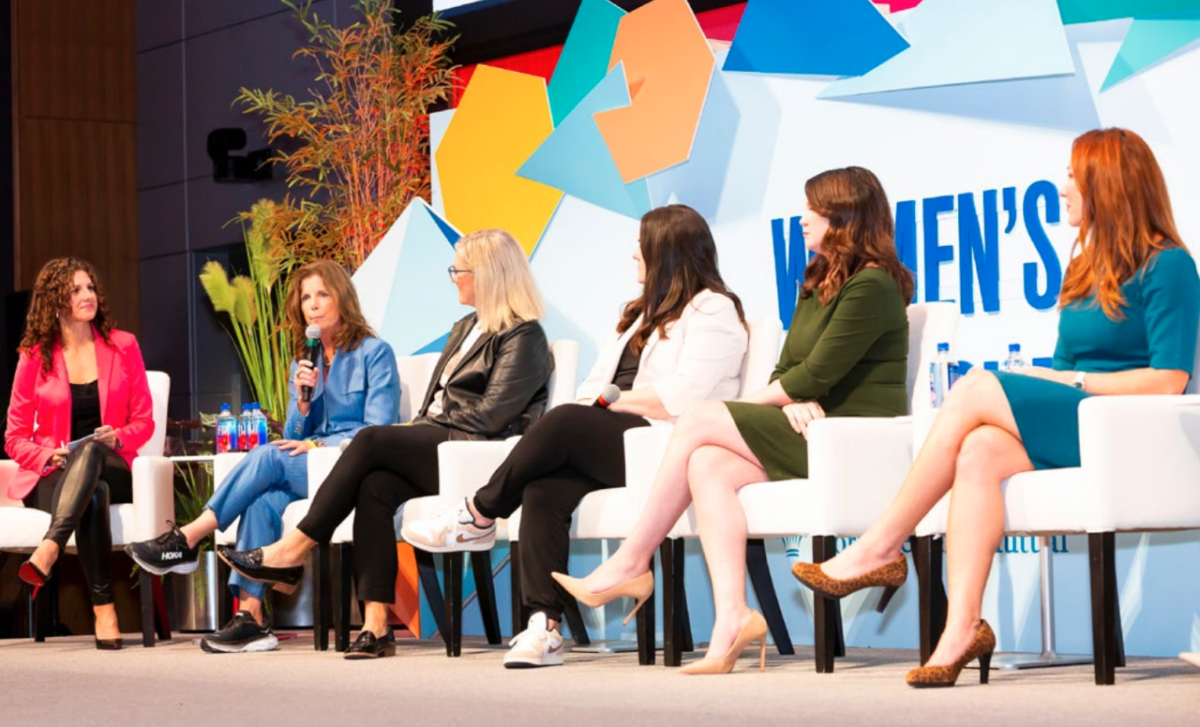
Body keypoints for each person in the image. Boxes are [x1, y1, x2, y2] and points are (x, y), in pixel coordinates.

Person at [792, 128, 1200, 687]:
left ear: (1109, 184)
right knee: (979, 450)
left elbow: (1170, 380)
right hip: (1077, 419)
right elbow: (1062, 362)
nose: (1063, 187)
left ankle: (881, 544)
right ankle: (962, 628)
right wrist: (1056, 377)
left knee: (981, 385)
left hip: (1128, 429)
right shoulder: (1084, 271)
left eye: (1073, 175)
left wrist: (1070, 379)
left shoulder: (1169, 265)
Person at [555, 167, 913, 674]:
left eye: (814, 209)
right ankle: (733, 619)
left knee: (700, 420)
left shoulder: (873, 286)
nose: (803, 218)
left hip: (849, 438)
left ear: (845, 217)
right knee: (706, 464)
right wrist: (788, 400)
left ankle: (633, 559)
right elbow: (788, 373)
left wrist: (790, 395)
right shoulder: (816, 283)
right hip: (806, 425)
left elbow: (814, 374)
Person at [403, 204, 749, 670]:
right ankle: (543, 626)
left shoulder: (715, 308)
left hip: (664, 447)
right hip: (615, 437)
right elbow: (591, 387)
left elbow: (684, 396)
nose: (634, 256)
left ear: (667, 252)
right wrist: (600, 404)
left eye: (642, 246)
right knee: (542, 489)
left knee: (565, 419)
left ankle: (478, 512)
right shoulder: (637, 315)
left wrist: (608, 404)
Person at [220, 228, 554, 659]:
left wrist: (420, 428)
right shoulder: (465, 328)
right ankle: (377, 626)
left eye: (460, 270)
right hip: (436, 443)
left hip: (471, 454)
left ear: (488, 275)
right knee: (373, 486)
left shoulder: (523, 337)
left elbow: (492, 417)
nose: (454, 277)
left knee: (373, 438)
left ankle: (294, 548)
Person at [127, 260, 399, 653]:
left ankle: (189, 536)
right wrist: (304, 407)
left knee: (269, 456)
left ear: (342, 297)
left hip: (350, 465)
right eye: (306, 297)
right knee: (260, 502)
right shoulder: (301, 363)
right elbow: (292, 435)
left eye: (322, 294)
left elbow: (379, 430)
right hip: (309, 470)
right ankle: (251, 616)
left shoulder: (375, 353)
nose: (314, 305)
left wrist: (316, 446)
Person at [5, 258, 156, 650]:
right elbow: (14, 437)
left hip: (115, 462)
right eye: (75, 290)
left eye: (89, 287)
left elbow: (145, 421)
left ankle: (50, 547)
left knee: (90, 452)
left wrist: (117, 437)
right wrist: (46, 456)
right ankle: (104, 609)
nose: (87, 295)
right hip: (54, 474)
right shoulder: (34, 356)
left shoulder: (123, 346)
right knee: (94, 494)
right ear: (55, 301)